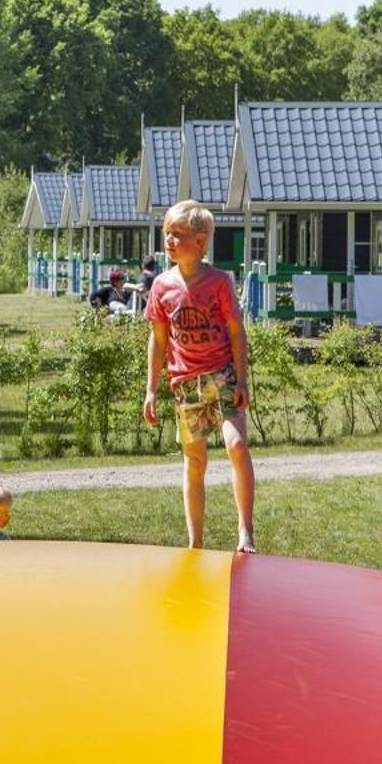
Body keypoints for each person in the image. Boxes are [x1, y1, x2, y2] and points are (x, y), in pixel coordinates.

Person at [141, 200, 256, 552]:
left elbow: (237, 332)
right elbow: (158, 339)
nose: (170, 241)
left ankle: (245, 530)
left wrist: (240, 379)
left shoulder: (219, 282)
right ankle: (195, 542)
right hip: (185, 383)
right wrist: (151, 389)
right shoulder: (161, 286)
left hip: (221, 375)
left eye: (178, 235)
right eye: (167, 235)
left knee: (236, 445)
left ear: (200, 242)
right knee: (195, 461)